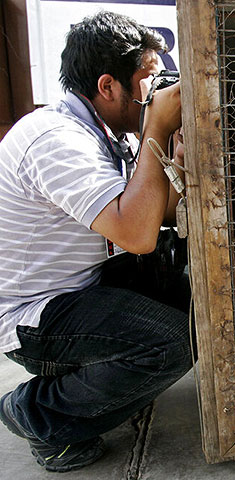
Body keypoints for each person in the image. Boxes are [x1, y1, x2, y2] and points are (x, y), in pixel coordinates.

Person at [0, 11, 193, 472]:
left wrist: (181, 164)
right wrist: (156, 131)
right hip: (36, 314)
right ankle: (41, 413)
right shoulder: (57, 140)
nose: (158, 92)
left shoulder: (103, 133)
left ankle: (98, 379)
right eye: (149, 79)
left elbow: (159, 215)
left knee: (198, 300)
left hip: (84, 284)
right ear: (108, 87)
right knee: (175, 343)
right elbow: (137, 234)